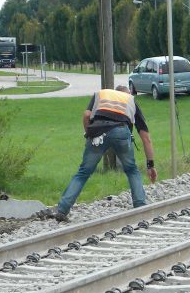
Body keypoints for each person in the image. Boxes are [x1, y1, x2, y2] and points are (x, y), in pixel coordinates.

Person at [44, 85, 157, 221]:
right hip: (121, 131)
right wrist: (150, 165)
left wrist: (88, 134)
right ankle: (140, 207)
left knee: (83, 172)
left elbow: (86, 115)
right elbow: (146, 138)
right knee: (132, 170)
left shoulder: (101, 94)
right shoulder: (131, 100)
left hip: (98, 131)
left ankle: (62, 211)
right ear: (127, 94)